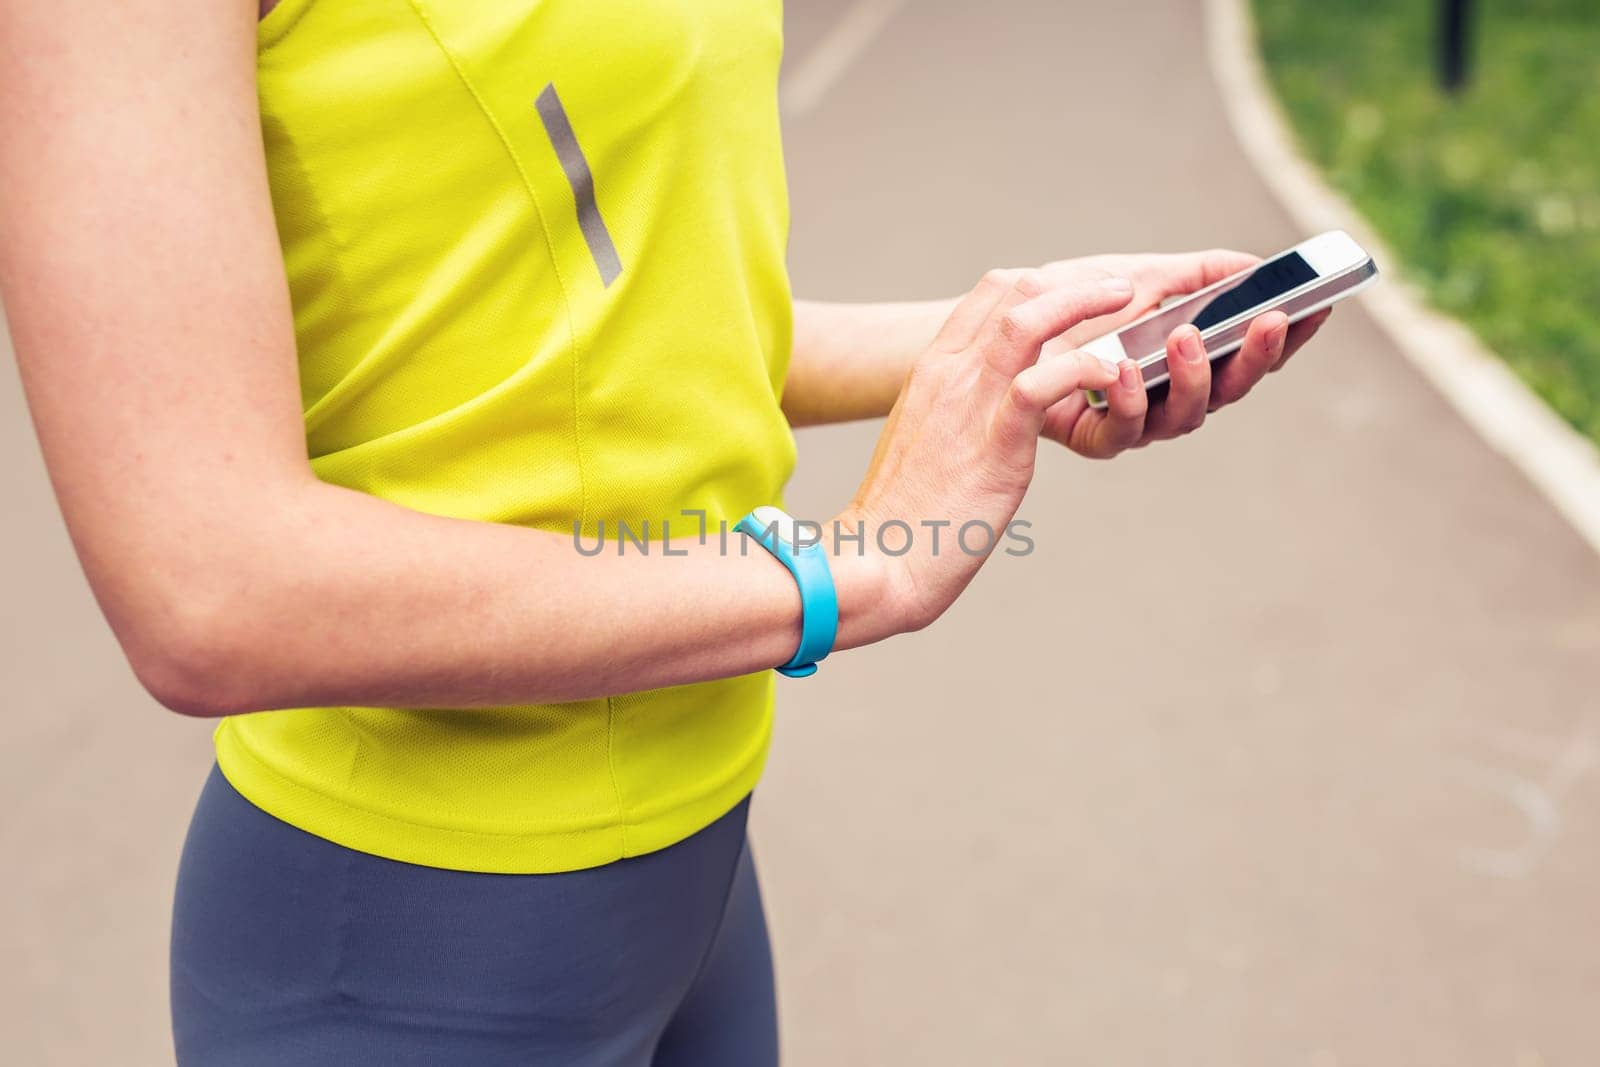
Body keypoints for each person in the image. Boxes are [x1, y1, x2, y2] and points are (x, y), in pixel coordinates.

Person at [0, 1, 1329, 1063]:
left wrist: (1008, 350)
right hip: (402, 930)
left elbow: (644, 332)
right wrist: (853, 573)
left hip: (695, 882)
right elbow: (207, 593)